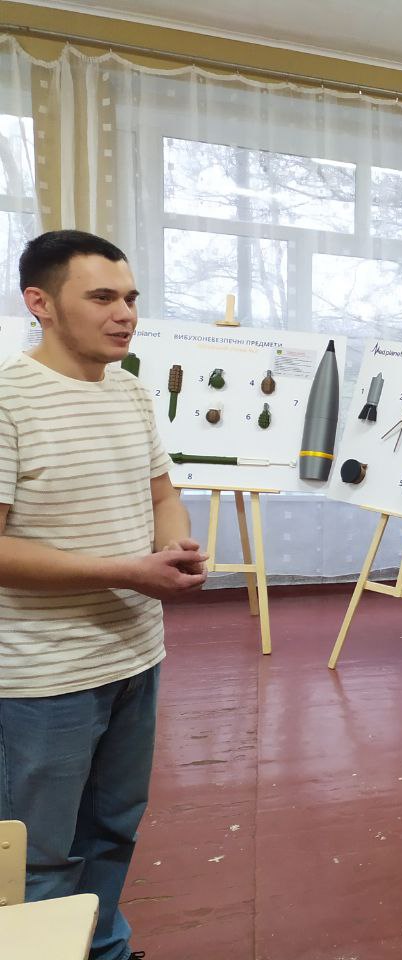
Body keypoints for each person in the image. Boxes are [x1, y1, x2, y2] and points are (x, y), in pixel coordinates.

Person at [0, 230, 207, 960]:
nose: (125, 314)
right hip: (41, 677)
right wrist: (127, 571)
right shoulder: (7, 400)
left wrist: (174, 548)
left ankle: (103, 949)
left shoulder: (130, 392)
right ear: (41, 303)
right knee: (38, 854)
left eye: (130, 298)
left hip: (134, 658)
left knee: (113, 830)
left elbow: (163, 494)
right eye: (101, 298)